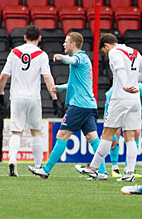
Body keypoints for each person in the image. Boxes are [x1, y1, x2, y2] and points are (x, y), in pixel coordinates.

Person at [28, 32, 107, 180]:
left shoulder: (80, 58)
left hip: (79, 105)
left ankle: (45, 170)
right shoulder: (85, 60)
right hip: (89, 105)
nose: (64, 44)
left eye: (66, 42)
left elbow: (72, 61)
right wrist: (61, 88)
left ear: (73, 44)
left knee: (62, 135)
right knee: (92, 137)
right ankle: (101, 172)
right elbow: (78, 83)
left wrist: (60, 57)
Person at [77, 33, 142, 182]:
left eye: (104, 51)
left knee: (107, 133)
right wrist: (133, 83)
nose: (105, 54)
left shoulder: (114, 52)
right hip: (134, 98)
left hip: (120, 97)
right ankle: (129, 173)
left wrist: (125, 85)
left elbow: (119, 69)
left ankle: (93, 168)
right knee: (130, 136)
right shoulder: (134, 52)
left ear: (106, 45)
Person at [0, 25, 59, 177]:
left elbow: (4, 75)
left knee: (16, 132)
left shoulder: (14, 52)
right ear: (40, 38)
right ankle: (38, 166)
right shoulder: (42, 54)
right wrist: (55, 98)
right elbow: (47, 77)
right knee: (36, 132)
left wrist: (0, 93)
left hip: (17, 97)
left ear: (24, 37)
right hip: (34, 98)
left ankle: (12, 159)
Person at [108, 83, 142, 179]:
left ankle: (129, 169)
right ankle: (115, 168)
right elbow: (107, 110)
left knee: (136, 132)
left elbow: (140, 109)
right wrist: (113, 136)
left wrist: (134, 121)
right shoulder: (112, 93)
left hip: (132, 108)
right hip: (118, 105)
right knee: (116, 131)